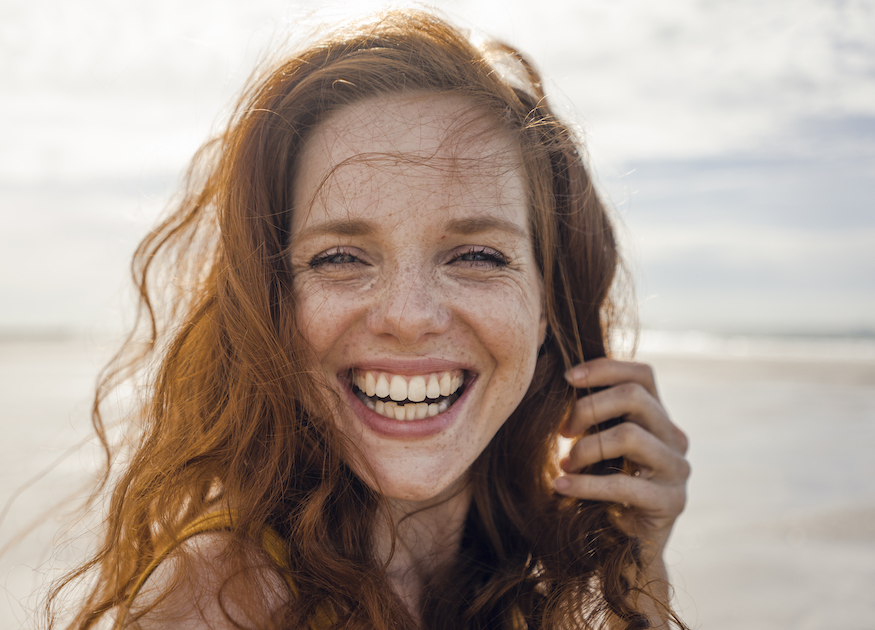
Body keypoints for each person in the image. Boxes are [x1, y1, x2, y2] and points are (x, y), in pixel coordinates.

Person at [48, 8, 690, 630]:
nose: (408, 317)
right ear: (270, 301)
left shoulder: (543, 579)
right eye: (339, 258)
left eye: (475, 255)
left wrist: (634, 574)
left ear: (549, 305)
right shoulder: (212, 606)